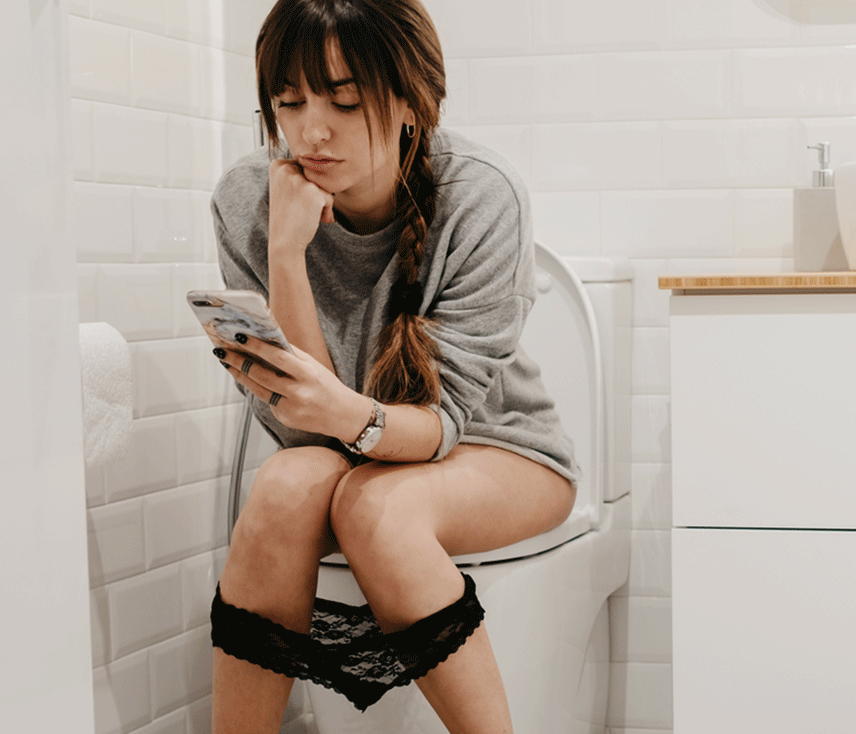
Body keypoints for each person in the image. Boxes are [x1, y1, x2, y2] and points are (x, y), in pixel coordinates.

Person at [204, 1, 577, 732]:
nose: (311, 131)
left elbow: (438, 428)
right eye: (288, 101)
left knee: (380, 510)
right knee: (282, 488)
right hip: (345, 452)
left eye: (344, 101)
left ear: (412, 99)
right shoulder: (252, 199)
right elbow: (310, 442)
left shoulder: (480, 196)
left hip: (495, 449)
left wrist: (333, 413)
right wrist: (284, 251)